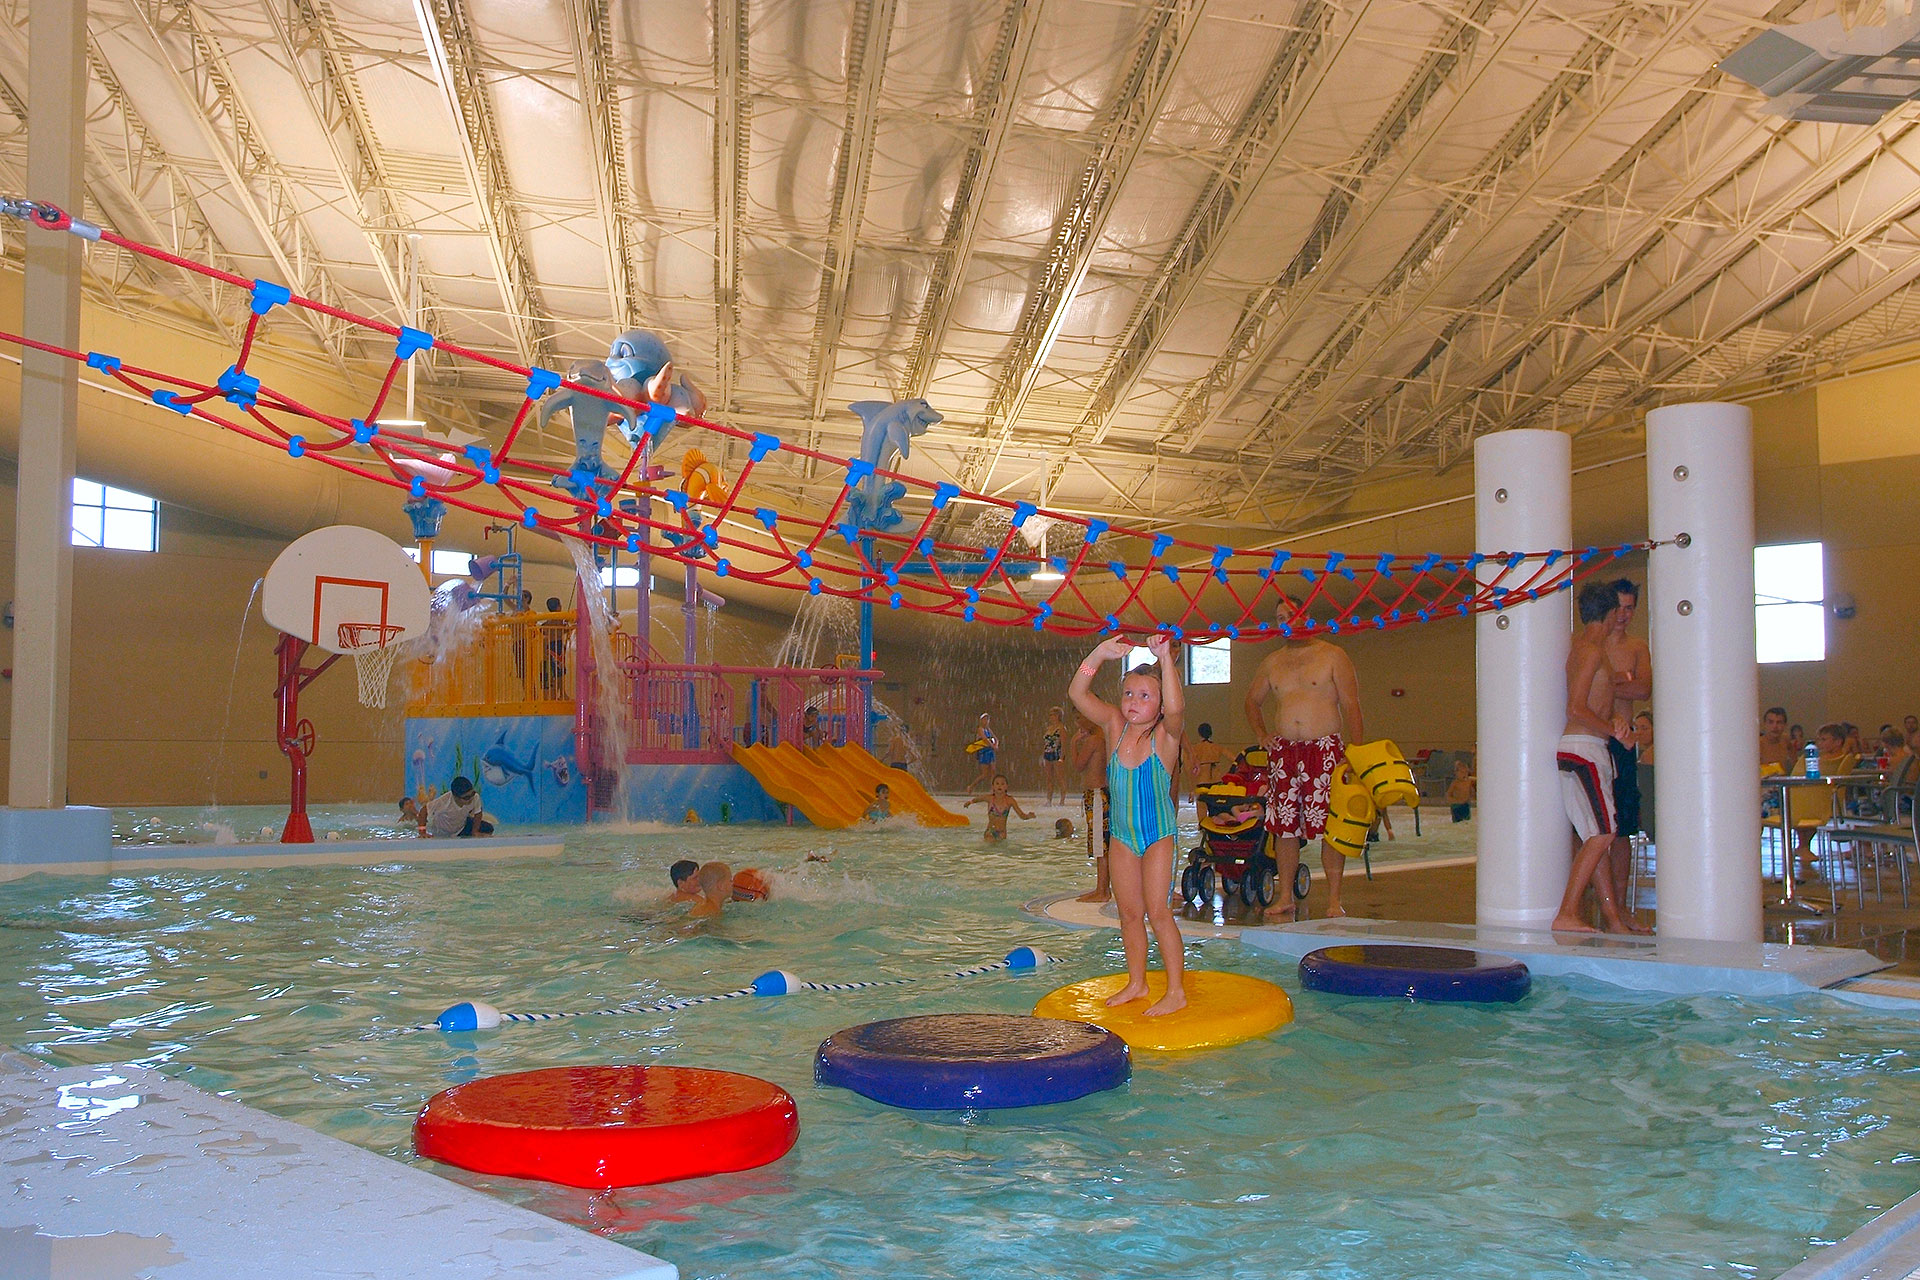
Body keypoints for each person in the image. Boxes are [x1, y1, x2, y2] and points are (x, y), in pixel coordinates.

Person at [1070, 632, 1187, 1016]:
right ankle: (1136, 983)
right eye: (1128, 694)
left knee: (1158, 912)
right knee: (1129, 914)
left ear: (1160, 703)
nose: (1134, 702)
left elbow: (1177, 708)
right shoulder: (1114, 727)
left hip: (1157, 837)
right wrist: (1098, 654)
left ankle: (1176, 991)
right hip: (1122, 838)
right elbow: (1078, 695)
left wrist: (1165, 660)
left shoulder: (1167, 736)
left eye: (1145, 695)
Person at [1243, 623, 1363, 921]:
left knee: (1331, 827)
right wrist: (1261, 734)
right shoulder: (1272, 661)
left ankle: (1334, 900)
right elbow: (1251, 701)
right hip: (1284, 751)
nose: (1285, 621)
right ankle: (1285, 896)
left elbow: (1351, 704)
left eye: (1290, 614)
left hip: (1324, 750)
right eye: (1279, 617)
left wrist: (1357, 754)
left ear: (1306, 616)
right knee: (1284, 828)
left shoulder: (1333, 655)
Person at [1551, 582, 1638, 934]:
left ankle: (1613, 919)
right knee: (1604, 834)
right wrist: (1613, 729)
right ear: (1613, 612)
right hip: (1585, 749)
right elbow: (1576, 707)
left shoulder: (1585, 649)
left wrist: (1611, 721)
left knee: (1595, 835)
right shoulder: (1589, 651)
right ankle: (1567, 912)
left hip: (1586, 747)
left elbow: (1594, 701)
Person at [1604, 578, 1652, 907]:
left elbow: (1643, 691)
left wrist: (1604, 684)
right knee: (1586, 828)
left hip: (1622, 745)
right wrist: (1623, 680)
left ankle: (1619, 906)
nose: (1623, 614)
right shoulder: (1590, 643)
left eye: (1629, 607)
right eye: (1618, 607)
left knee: (1622, 830)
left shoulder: (1636, 647)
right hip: (1595, 737)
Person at [1070, 712, 1111, 903]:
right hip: (1101, 794)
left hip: (1096, 795)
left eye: (1079, 718)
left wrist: (1073, 743)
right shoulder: (1105, 735)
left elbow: (1078, 765)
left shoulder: (1094, 740)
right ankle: (1102, 888)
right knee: (1102, 843)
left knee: (1099, 845)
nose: (1077, 723)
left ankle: (1102, 891)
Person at [667, 859, 769, 917]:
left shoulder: (706, 906)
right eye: (730, 880)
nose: (733, 883)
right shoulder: (711, 912)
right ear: (720, 886)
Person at [964, 774, 1034, 841]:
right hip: (990, 831)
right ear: (993, 786)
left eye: (1002, 784)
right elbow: (978, 799)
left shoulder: (1010, 800)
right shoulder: (989, 798)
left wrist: (1028, 816)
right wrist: (970, 802)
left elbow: (1021, 815)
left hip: (1002, 833)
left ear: (1006, 786)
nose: (999, 786)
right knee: (990, 844)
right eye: (997, 783)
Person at [423, 776, 492, 838]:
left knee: (488, 828)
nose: (471, 798)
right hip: (441, 831)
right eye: (466, 797)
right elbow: (423, 811)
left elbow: (478, 813)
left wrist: (475, 832)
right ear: (455, 797)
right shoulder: (445, 800)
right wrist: (422, 832)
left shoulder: (475, 797)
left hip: (461, 828)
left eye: (472, 794)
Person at [1632, 711, 1656, 843]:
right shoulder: (1644, 754)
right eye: (1636, 728)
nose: (1639, 732)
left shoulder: (1649, 755)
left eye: (1645, 728)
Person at [1187, 723, 1226, 803]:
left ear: (1199, 734)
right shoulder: (1217, 747)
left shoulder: (1195, 749)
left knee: (1202, 814)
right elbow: (1235, 759)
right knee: (1217, 813)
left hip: (1202, 783)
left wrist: (1191, 790)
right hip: (1217, 782)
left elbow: (1190, 769)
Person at [1040, 706, 1068, 806]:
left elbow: (1064, 744)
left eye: (1052, 715)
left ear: (1058, 716)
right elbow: (1045, 743)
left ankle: (1062, 799)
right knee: (1049, 778)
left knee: (1060, 777)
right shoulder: (1049, 728)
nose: (1050, 717)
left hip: (1056, 754)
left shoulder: (1061, 728)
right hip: (1047, 754)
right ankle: (1049, 799)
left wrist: (1062, 757)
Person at [966, 713, 998, 797]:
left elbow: (995, 738)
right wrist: (992, 746)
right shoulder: (980, 729)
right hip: (984, 752)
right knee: (984, 774)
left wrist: (996, 745)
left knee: (993, 770)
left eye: (987, 719)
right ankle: (971, 786)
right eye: (984, 719)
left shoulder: (989, 730)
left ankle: (992, 789)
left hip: (990, 751)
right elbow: (985, 739)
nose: (986, 721)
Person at [1760, 708, 1794, 773]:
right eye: (1771, 722)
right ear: (1764, 724)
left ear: (1785, 725)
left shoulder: (1786, 741)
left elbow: (1794, 767)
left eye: (1779, 722)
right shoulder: (1757, 745)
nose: (1775, 726)